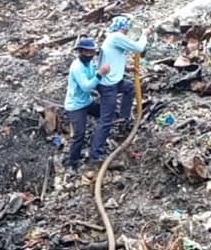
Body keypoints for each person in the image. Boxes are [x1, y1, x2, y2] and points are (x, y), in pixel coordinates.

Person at [90, 15, 153, 163]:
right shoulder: (117, 36)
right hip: (108, 86)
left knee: (129, 88)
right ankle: (96, 154)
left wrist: (127, 68)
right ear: (124, 27)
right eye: (127, 28)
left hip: (114, 81)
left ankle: (123, 118)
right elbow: (139, 47)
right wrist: (144, 35)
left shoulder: (112, 38)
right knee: (106, 119)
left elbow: (113, 58)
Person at [63, 37, 109, 170]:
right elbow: (86, 86)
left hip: (87, 101)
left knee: (106, 114)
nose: (89, 55)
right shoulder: (77, 67)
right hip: (75, 106)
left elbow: (93, 74)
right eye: (87, 52)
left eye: (92, 52)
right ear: (80, 52)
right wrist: (100, 74)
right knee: (79, 134)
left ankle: (100, 143)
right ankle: (73, 161)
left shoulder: (89, 64)